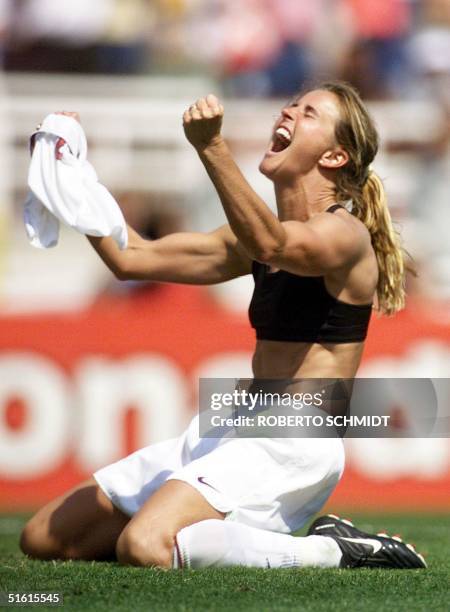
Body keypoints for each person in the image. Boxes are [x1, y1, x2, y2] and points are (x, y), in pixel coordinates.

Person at [20, 82, 426, 570]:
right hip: (231, 428)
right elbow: (132, 258)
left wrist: (212, 147)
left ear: (336, 157)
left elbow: (273, 245)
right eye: (292, 104)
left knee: (145, 545)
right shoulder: (253, 238)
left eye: (309, 113)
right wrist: (72, 177)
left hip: (293, 444)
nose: (290, 111)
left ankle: (335, 550)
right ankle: (205, 534)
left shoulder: (345, 235)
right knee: (44, 538)